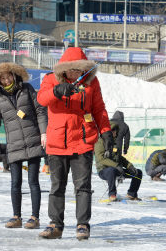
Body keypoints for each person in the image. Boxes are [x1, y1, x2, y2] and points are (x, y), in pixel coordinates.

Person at [37, 47, 113, 240]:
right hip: (57, 142)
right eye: (72, 69)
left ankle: (82, 224)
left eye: (79, 69)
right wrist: (56, 91)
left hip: (83, 141)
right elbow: (41, 99)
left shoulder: (91, 82)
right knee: (57, 186)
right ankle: (55, 224)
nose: (75, 73)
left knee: (83, 187)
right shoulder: (50, 79)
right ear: (63, 69)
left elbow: (99, 108)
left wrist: (106, 131)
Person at [0, 62, 47, 230]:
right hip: (13, 144)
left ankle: (34, 217)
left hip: (33, 140)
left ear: (14, 75)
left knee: (33, 181)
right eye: (3, 78)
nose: (6, 80)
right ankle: (16, 216)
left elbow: (41, 111)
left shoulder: (27, 89)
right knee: (15, 183)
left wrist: (44, 133)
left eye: (8, 76)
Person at [95, 122, 142, 201]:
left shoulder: (114, 143)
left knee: (138, 173)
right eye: (114, 131)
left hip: (117, 169)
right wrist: (116, 166)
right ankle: (112, 194)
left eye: (116, 131)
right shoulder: (100, 142)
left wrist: (129, 166)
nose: (116, 133)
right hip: (104, 171)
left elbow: (120, 158)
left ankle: (132, 194)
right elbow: (101, 158)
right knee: (111, 170)